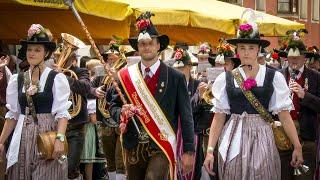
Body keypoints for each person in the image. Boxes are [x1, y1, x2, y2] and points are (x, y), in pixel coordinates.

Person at [203, 11, 303, 180]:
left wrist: (297, 146)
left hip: (262, 135)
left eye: (251, 48)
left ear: (258, 50)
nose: (247, 52)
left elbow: (284, 116)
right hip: (233, 135)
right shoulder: (225, 78)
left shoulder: (274, 77)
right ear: (237, 51)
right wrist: (210, 151)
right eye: (242, 48)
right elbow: (219, 118)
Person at [109, 11, 195, 180]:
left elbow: (186, 116)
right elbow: (113, 106)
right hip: (133, 145)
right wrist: (121, 112)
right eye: (142, 44)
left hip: (161, 145)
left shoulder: (175, 77)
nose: (146, 47)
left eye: (150, 43)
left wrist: (189, 151)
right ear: (137, 47)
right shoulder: (125, 76)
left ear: (158, 46)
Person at [0, 24, 71, 179]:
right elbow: (13, 114)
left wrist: (60, 138)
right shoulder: (16, 79)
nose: (32, 53)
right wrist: (1, 141)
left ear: (46, 53)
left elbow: (62, 113)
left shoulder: (56, 78)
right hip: (22, 135)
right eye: (29, 49)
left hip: (47, 135)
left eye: (37, 50)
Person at [278, 30, 320, 180]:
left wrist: (304, 95)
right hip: (281, 138)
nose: (293, 60)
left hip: (306, 139)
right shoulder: (278, 75)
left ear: (305, 58)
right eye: (290, 57)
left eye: (297, 57)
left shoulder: (316, 77)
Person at [91, 38, 127, 180]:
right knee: (109, 159)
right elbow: (89, 88)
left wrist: (117, 77)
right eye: (109, 56)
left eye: (114, 55)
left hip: (120, 122)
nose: (111, 57)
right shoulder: (101, 75)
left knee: (120, 160)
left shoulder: (125, 74)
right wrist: (96, 90)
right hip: (105, 122)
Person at [172, 48, 201, 180]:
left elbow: (196, 112)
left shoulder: (198, 85)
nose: (179, 71)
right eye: (177, 68)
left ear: (189, 67)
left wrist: (199, 97)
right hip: (174, 133)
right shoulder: (171, 84)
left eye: (182, 67)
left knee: (191, 171)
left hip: (191, 134)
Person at [80, 59, 106, 180]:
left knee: (90, 159)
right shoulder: (90, 84)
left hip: (90, 124)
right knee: (88, 158)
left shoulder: (93, 83)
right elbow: (93, 117)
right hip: (88, 126)